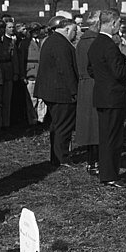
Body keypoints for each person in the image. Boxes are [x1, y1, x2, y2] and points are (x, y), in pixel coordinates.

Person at [87, 8, 126, 188]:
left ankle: (106, 173)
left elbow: (90, 70)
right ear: (113, 23)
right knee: (113, 138)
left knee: (106, 137)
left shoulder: (95, 44)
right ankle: (110, 175)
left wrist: (103, 79)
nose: (120, 26)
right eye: (119, 23)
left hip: (102, 95)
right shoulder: (109, 46)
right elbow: (119, 72)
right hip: (113, 97)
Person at [35, 16, 79, 168]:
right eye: (74, 31)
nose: (75, 34)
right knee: (63, 126)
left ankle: (56, 157)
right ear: (66, 29)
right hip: (61, 92)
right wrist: (74, 91)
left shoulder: (52, 41)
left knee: (57, 125)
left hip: (52, 90)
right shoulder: (61, 44)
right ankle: (62, 158)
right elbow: (66, 69)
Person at [74, 11, 101, 176]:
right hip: (94, 85)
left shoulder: (82, 42)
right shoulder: (95, 42)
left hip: (85, 85)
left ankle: (92, 161)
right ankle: (95, 162)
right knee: (96, 126)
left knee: (90, 126)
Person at [0, 17, 20, 129]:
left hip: (8, 71)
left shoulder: (10, 42)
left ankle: (6, 124)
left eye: (2, 28)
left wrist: (16, 73)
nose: (0, 30)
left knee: (7, 100)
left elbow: (14, 58)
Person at [18, 22, 47, 126]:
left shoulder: (43, 41)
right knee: (32, 99)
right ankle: (33, 120)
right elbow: (21, 60)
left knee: (42, 99)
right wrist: (22, 75)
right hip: (30, 74)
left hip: (41, 74)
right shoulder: (25, 43)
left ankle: (41, 119)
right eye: (33, 31)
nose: (36, 32)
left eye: (37, 30)